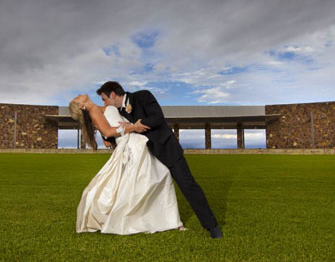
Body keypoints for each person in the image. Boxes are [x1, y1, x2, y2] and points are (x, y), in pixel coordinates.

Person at [96, 82, 223, 239]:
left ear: (113, 94)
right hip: (147, 158)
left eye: (104, 99)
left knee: (187, 184)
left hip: (167, 149)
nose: (104, 103)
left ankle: (212, 226)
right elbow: (114, 137)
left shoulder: (143, 96)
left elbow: (157, 118)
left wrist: (137, 125)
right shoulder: (117, 111)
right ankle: (158, 222)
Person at [70, 94, 184, 235]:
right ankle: (159, 220)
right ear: (81, 106)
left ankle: (167, 220)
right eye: (76, 98)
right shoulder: (93, 109)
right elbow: (107, 132)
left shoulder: (99, 109)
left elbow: (107, 140)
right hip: (131, 144)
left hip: (134, 141)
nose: (78, 95)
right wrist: (134, 127)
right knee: (155, 176)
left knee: (156, 175)